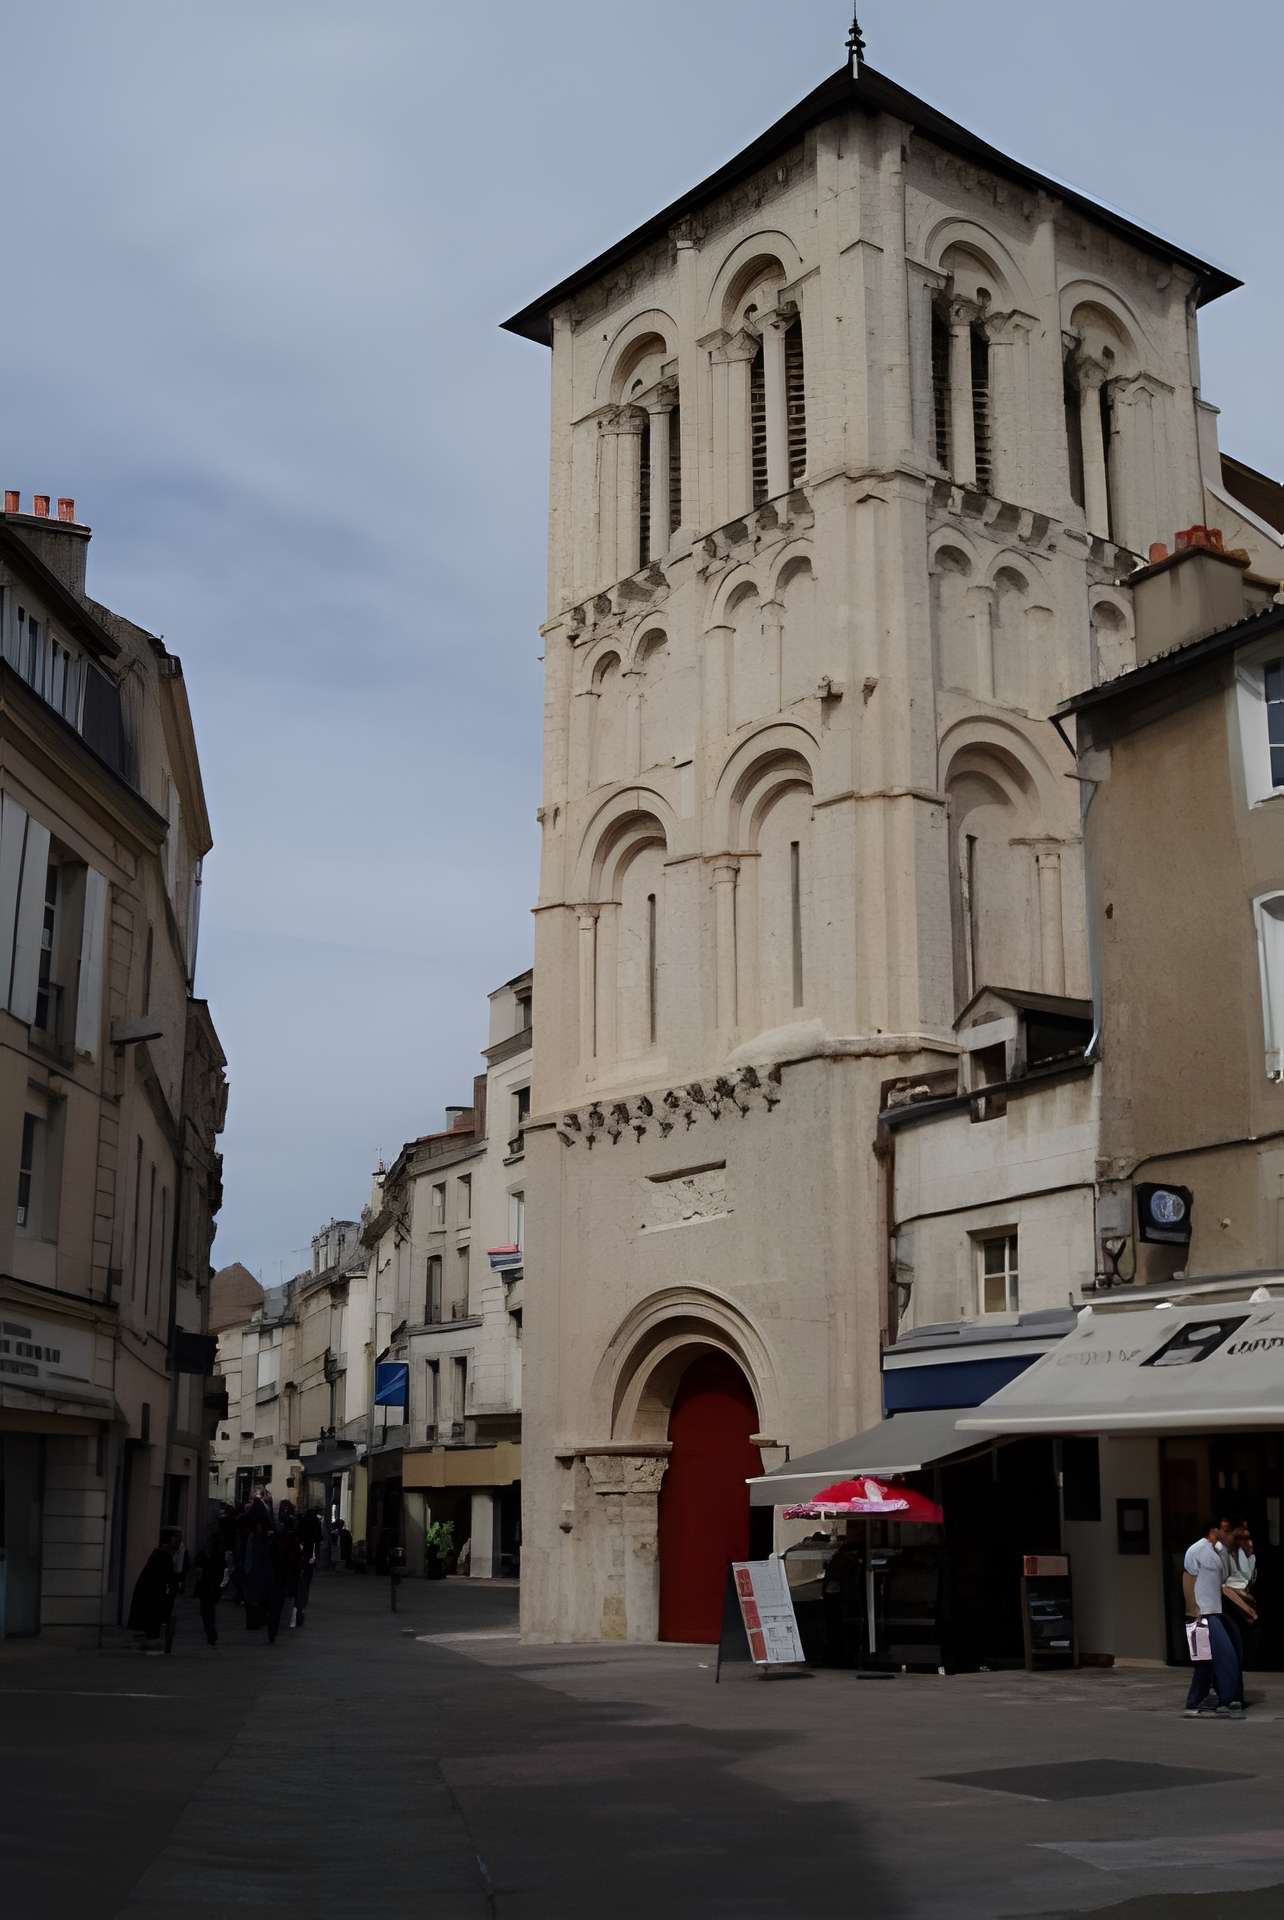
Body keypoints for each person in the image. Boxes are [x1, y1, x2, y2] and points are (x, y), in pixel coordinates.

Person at [1183, 1518, 1243, 1719]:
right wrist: (1194, 1612)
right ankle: (1222, 1699)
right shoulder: (1195, 1551)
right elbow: (1188, 1581)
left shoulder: (1217, 1552)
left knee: (1209, 1661)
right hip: (1202, 1614)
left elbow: (1224, 1578)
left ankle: (1211, 1699)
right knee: (1216, 1659)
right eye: (1222, 1529)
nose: (1225, 1533)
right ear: (1213, 1530)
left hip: (1215, 1611)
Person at [128, 1527, 183, 1653]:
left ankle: (152, 1644)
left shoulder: (163, 1555)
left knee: (153, 1623)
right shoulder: (163, 1555)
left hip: (154, 1596)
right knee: (153, 1623)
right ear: (170, 1539)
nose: (179, 1542)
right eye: (177, 1538)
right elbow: (168, 1577)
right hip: (153, 1597)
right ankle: (152, 1647)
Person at [192, 1529, 227, 1647]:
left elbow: (198, 1569)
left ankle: (210, 1633)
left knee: (207, 1611)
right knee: (209, 1610)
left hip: (206, 1586)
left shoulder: (207, 1555)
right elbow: (223, 1573)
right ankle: (211, 1633)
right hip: (213, 1587)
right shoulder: (219, 1556)